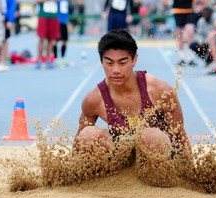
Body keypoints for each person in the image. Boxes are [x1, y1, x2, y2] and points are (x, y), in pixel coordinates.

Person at [72, 29, 192, 185]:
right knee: (88, 135)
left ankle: (157, 183)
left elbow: (180, 137)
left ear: (134, 59)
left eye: (122, 63)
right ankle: (106, 184)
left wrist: (192, 175)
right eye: (109, 63)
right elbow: (79, 146)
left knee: (150, 136)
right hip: (120, 161)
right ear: (102, 61)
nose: (116, 70)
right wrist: (69, 175)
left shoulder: (160, 91)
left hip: (156, 158)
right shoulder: (94, 99)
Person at [172, 0, 202, 66]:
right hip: (178, 10)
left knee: (190, 32)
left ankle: (190, 57)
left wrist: (198, 5)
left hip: (189, 10)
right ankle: (182, 57)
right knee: (180, 35)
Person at [35, 0, 60, 69]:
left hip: (53, 15)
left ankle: (48, 60)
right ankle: (39, 60)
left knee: (51, 39)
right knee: (41, 38)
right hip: (43, 15)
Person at [53, 0, 70, 67]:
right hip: (57, 21)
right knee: (55, 40)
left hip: (64, 22)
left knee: (65, 41)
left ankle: (63, 57)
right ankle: (55, 58)